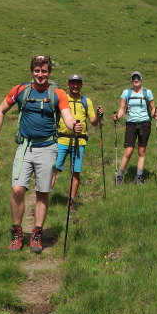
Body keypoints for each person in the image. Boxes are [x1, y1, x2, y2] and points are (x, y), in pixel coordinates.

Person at [0, 55, 83, 254]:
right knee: (17, 189)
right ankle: (17, 233)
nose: (40, 75)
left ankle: (37, 233)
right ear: (32, 71)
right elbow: (1, 110)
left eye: (44, 71)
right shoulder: (21, 90)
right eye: (37, 71)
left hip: (48, 147)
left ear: (49, 72)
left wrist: (75, 125)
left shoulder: (58, 93)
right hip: (25, 147)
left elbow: (66, 116)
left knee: (42, 191)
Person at [51, 74, 104, 211]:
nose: (75, 86)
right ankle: (45, 198)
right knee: (53, 169)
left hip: (79, 141)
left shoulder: (86, 101)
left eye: (78, 83)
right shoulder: (62, 99)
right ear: (68, 85)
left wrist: (98, 116)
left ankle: (71, 202)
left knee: (75, 172)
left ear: (81, 85)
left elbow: (93, 122)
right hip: (62, 139)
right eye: (73, 83)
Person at [112, 71, 157, 185]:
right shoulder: (126, 93)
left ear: (141, 80)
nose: (136, 79)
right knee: (128, 151)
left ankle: (138, 177)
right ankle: (119, 176)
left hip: (145, 123)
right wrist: (117, 117)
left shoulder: (147, 92)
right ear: (131, 80)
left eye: (138, 78)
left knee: (141, 151)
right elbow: (121, 108)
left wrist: (155, 115)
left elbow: (153, 108)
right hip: (131, 124)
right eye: (134, 78)